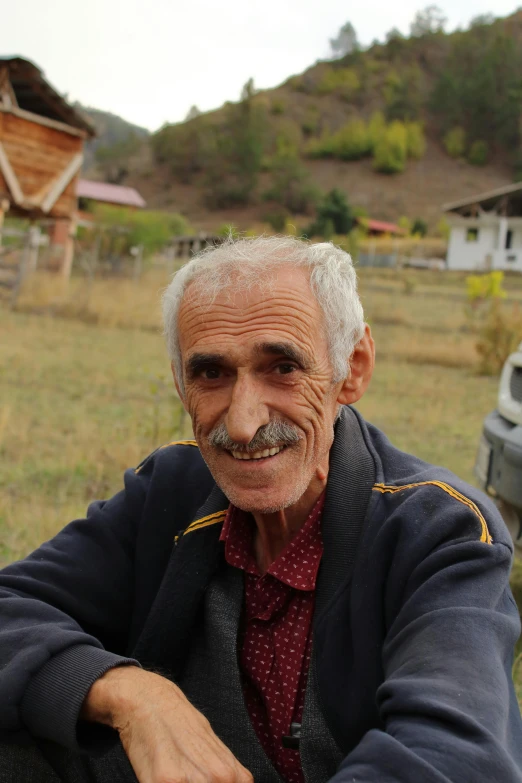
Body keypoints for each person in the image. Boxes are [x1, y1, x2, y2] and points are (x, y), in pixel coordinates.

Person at [0, 235, 521, 783]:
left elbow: (455, 754)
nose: (244, 423)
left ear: (353, 368)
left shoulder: (441, 530)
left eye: (283, 367)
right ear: (181, 385)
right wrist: (132, 695)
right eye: (211, 373)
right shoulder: (173, 492)